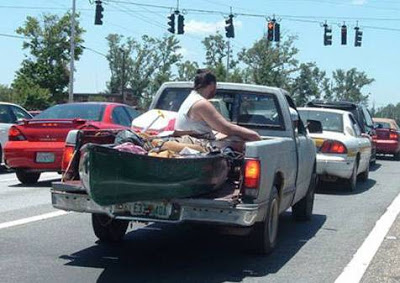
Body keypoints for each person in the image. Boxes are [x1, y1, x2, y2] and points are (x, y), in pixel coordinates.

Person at [175, 69, 261, 141]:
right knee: (237, 139)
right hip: (199, 149)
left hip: (192, 143)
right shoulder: (201, 103)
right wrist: (254, 135)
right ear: (212, 85)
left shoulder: (191, 99)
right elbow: (226, 128)